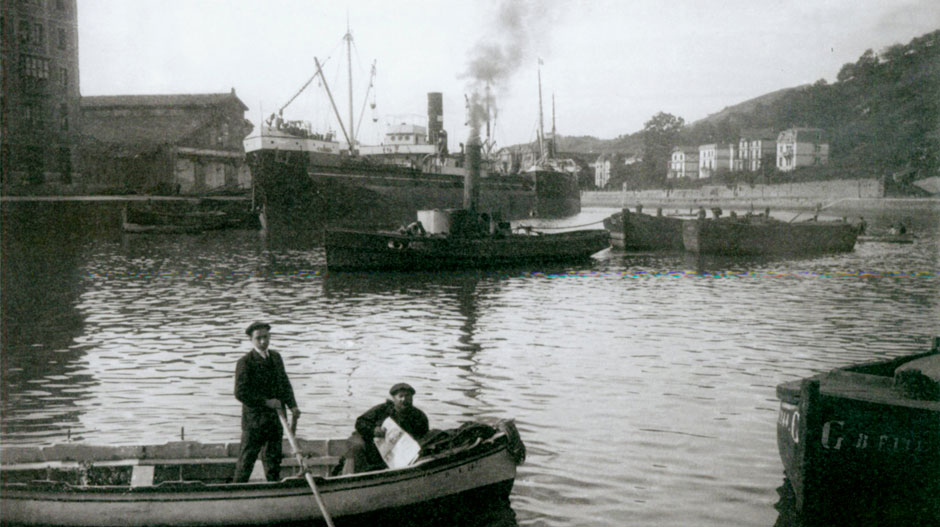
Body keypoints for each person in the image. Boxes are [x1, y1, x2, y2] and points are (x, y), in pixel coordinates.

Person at [232, 322, 301, 483]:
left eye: (266, 337)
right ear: (251, 340)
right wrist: (267, 402)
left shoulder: (276, 357)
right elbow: (240, 393)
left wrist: (293, 406)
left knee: (273, 461)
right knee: (246, 462)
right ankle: (235, 493)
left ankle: (274, 491)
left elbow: (284, 384)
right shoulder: (245, 362)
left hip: (276, 421)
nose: (263, 341)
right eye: (258, 338)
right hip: (254, 422)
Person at [338, 383, 429, 474]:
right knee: (356, 447)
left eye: (408, 396)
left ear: (412, 397)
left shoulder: (419, 416)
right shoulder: (382, 409)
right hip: (374, 447)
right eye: (400, 396)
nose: (404, 400)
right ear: (393, 398)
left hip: (398, 453)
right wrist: (373, 430)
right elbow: (360, 422)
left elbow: (423, 438)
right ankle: (358, 477)